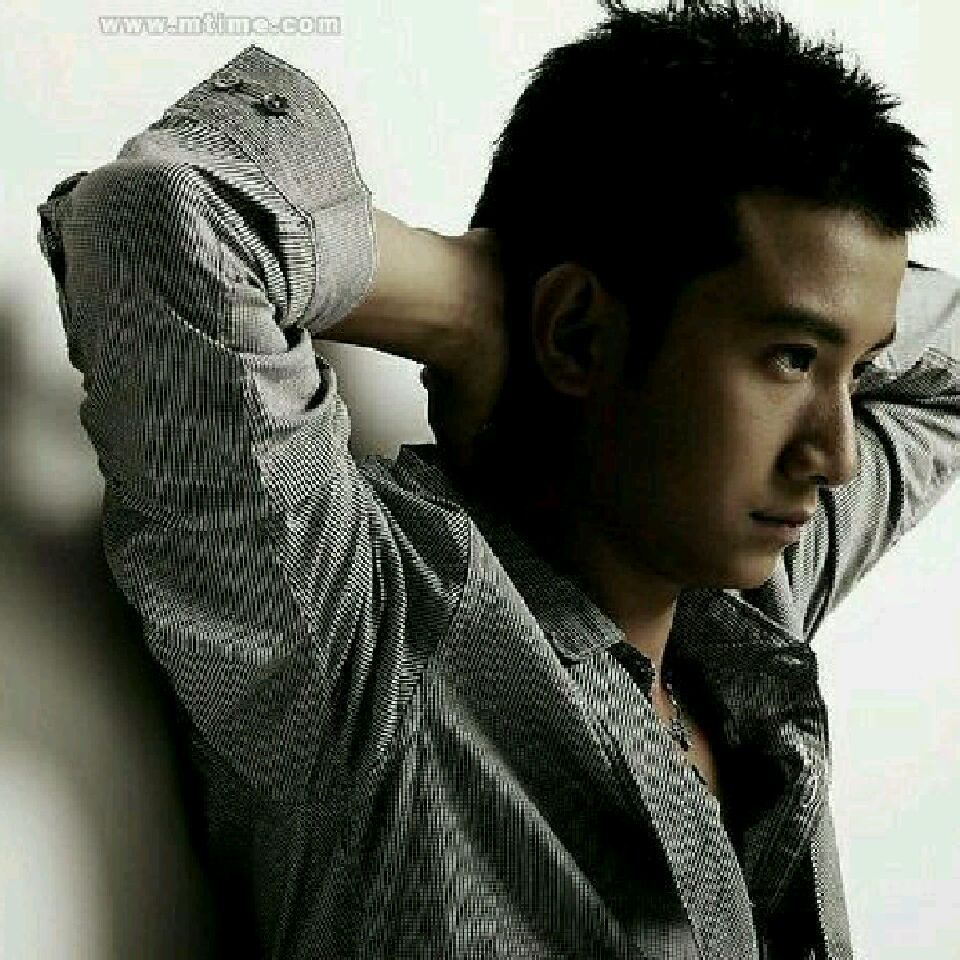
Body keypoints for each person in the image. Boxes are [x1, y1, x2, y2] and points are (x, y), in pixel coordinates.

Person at [35, 2, 960, 957]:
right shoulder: (369, 636)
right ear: (577, 333)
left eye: (856, 368)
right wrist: (470, 299)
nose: (837, 454)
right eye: (791, 359)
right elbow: (164, 214)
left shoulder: (748, 601)